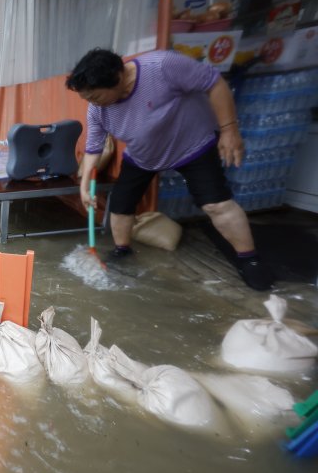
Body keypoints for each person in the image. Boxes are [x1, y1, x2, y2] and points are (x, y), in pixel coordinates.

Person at [66, 48, 274, 291]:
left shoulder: (163, 66)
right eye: (87, 98)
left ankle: (249, 258)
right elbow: (94, 147)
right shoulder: (97, 109)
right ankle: (122, 251)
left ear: (118, 78)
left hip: (193, 145)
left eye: (96, 97)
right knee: (121, 204)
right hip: (143, 155)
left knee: (216, 204)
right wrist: (83, 185)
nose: (92, 103)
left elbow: (214, 82)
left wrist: (229, 130)